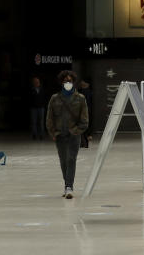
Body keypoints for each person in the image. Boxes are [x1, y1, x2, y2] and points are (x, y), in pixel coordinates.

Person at [46, 70, 89, 199]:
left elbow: (85, 120)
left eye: (70, 81)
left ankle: (69, 186)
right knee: (63, 161)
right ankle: (67, 184)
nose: (67, 83)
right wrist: (53, 132)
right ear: (61, 82)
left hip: (74, 135)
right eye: (65, 81)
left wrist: (77, 131)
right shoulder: (55, 98)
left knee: (71, 159)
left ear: (74, 82)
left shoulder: (80, 98)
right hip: (60, 135)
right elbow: (49, 118)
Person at [78, 79, 94, 148]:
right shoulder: (80, 91)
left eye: (83, 82)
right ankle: (83, 142)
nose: (82, 83)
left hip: (86, 111)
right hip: (82, 111)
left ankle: (84, 142)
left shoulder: (88, 92)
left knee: (84, 126)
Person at [29, 77, 45, 141]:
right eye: (35, 82)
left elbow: (44, 97)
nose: (36, 83)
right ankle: (34, 134)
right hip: (33, 108)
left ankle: (41, 134)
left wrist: (43, 105)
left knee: (41, 122)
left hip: (41, 107)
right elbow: (29, 98)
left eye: (37, 81)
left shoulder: (42, 89)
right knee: (34, 122)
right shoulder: (31, 89)